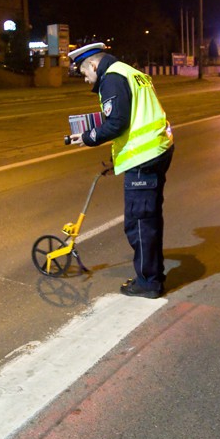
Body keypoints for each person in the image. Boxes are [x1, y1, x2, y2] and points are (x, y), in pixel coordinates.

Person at [67, 42, 174, 299]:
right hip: (156, 150)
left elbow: (117, 122)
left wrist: (89, 136)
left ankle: (148, 283)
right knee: (148, 219)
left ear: (93, 64)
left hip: (144, 157)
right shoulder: (130, 72)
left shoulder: (112, 78)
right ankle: (153, 274)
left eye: (84, 73)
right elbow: (135, 118)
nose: (85, 79)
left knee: (138, 223)